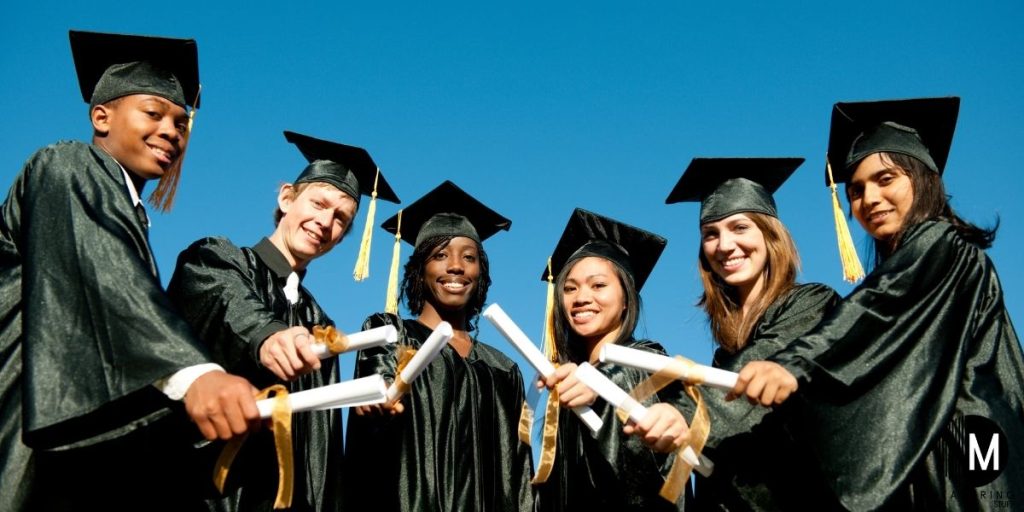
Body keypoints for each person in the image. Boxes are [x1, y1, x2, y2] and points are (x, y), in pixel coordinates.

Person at [0, 30, 259, 510]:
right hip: (22, 414)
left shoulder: (126, 209)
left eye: (181, 123)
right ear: (101, 115)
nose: (171, 132)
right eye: (154, 113)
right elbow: (105, 278)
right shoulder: (68, 164)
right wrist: (191, 374)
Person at [732, 97, 1024, 510]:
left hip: (965, 461)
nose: (869, 199)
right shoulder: (922, 265)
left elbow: (876, 309)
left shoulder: (943, 245)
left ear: (923, 180)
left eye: (886, 179)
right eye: (856, 190)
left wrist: (795, 364)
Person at [166, 130, 400, 510]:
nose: (326, 222)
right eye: (319, 204)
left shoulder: (319, 323)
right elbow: (227, 303)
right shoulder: (220, 261)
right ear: (287, 198)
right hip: (207, 492)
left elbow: (319, 446)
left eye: (341, 218)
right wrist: (267, 336)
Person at [343, 180, 534, 511]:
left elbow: (517, 474)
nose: (456, 266)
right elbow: (378, 385)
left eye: (469, 257)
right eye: (440, 255)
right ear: (420, 271)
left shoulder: (503, 369)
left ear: (480, 272)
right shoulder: (389, 333)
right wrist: (379, 397)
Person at [665, 157, 842, 510]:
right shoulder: (723, 353)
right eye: (711, 234)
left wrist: (681, 412)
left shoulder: (812, 305)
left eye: (739, 227)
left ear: (769, 233)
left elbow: (765, 360)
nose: (725, 245)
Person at [533, 208, 691, 512]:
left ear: (626, 298)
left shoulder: (649, 361)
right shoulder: (567, 387)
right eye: (569, 288)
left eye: (598, 285)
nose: (580, 298)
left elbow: (628, 373)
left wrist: (598, 381)